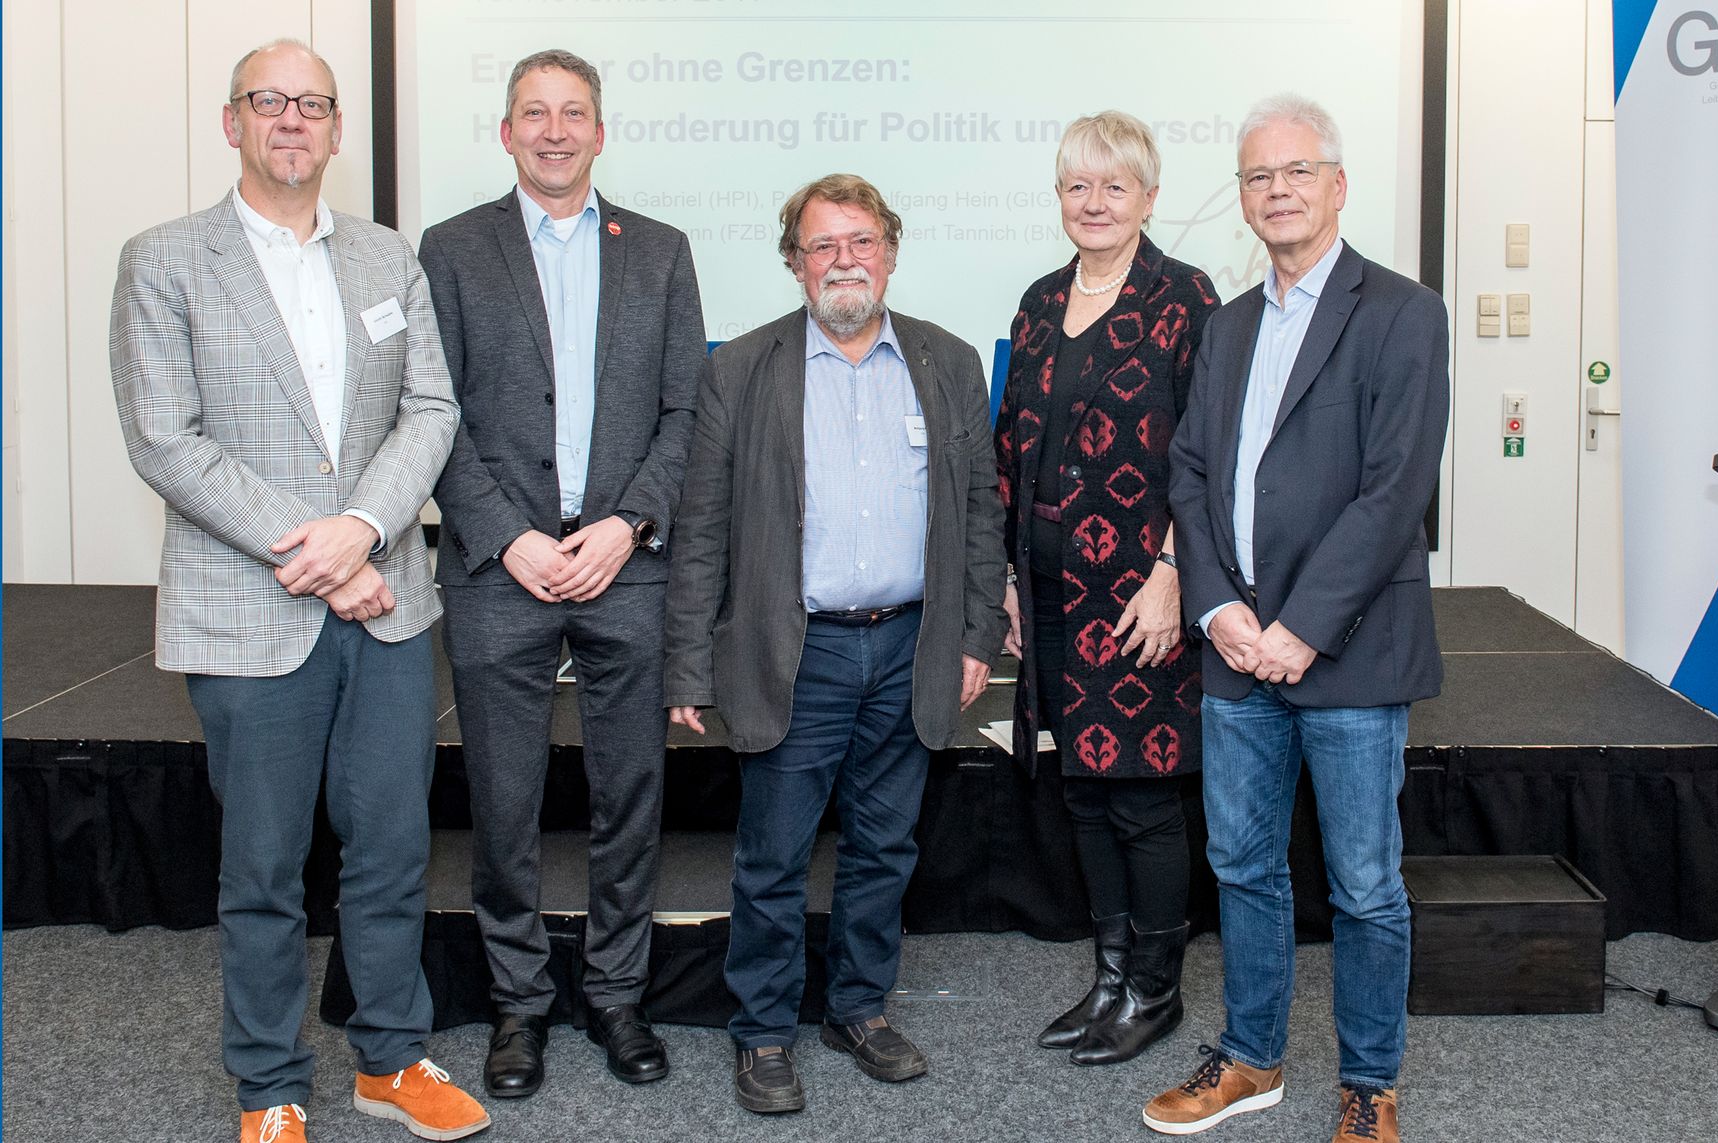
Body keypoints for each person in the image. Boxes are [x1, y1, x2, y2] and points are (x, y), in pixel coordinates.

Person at [109, 38, 489, 1143]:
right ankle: (270, 1085)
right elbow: (163, 439)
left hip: (385, 609)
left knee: (390, 849)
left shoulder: (386, 260)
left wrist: (365, 530)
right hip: (247, 610)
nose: (292, 121)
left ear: (333, 129)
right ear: (232, 122)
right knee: (265, 866)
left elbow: (431, 410)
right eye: (268, 103)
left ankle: (388, 1060)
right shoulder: (167, 259)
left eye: (312, 105)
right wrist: (316, 548)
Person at [662, 173, 1007, 1115]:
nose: (843, 260)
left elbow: (979, 511)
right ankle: (764, 1028)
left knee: (885, 846)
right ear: (793, 262)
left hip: (912, 644)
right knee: (773, 855)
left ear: (890, 252)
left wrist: (980, 631)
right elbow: (701, 527)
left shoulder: (947, 361)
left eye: (861, 241)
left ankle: (858, 1007)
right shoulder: (743, 368)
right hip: (796, 651)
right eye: (823, 245)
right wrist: (690, 660)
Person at [1144, 93, 1449, 1143]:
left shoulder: (1403, 313)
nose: (1275, 191)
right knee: (1240, 867)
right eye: (1256, 177)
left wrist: (1302, 626)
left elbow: (1393, 489)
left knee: (1364, 886)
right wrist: (1221, 605)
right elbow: (1189, 475)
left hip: (1347, 654)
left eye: (1295, 172)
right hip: (1235, 652)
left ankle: (1369, 1084)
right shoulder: (1227, 326)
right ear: (1241, 199)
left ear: (1337, 185)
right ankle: (1251, 1060)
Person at [418, 49, 709, 1099]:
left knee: (629, 795)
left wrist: (630, 523)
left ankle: (617, 993)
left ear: (599, 131)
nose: (552, 129)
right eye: (532, 113)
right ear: (505, 134)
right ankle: (518, 1004)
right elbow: (432, 414)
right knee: (503, 800)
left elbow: (686, 412)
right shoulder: (450, 250)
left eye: (571, 113)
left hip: (624, 565)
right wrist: (507, 535)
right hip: (503, 567)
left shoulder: (661, 252)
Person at [993, 111, 1218, 1067]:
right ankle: (1111, 975)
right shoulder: (1040, 302)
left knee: (1142, 798)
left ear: (1149, 199)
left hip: (1138, 594)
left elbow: (1206, 454)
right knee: (1084, 792)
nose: (1093, 203)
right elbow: (1011, 449)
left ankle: (1155, 992)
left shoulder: (1184, 298)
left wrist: (1174, 573)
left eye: (1113, 187)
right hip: (1047, 590)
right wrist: (1004, 573)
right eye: (1077, 186)